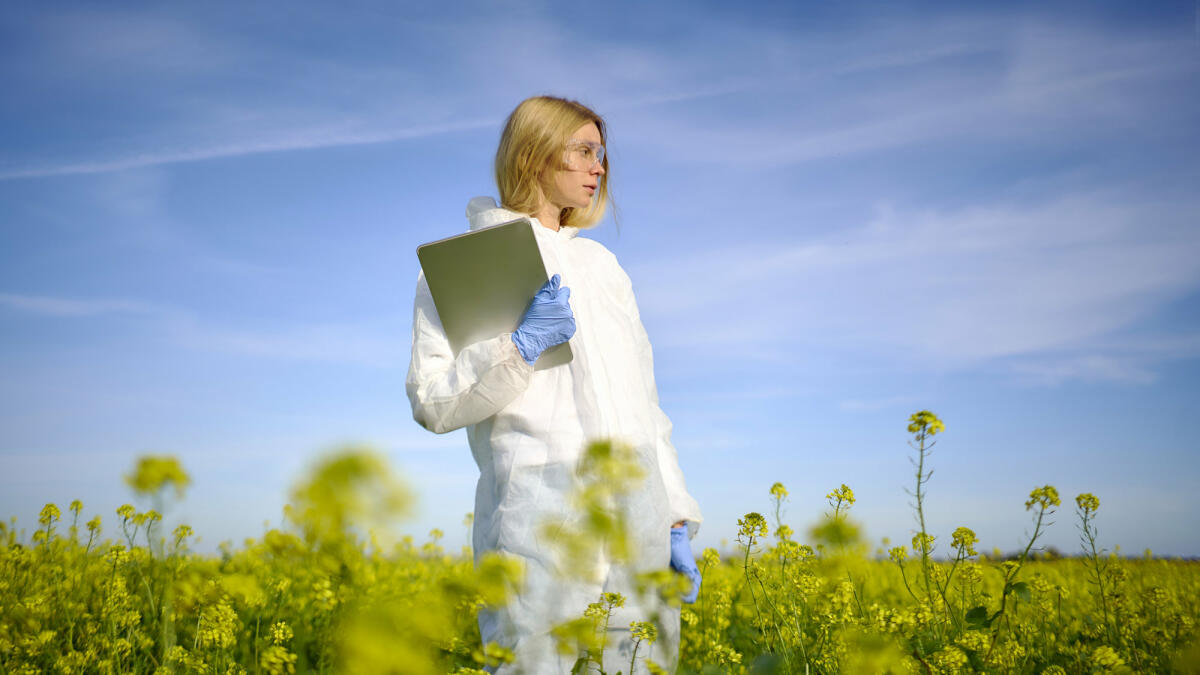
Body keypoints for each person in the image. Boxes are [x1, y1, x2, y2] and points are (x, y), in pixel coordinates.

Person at [406, 95, 702, 674]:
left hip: (635, 519)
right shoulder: (468, 262)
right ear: (536, 154)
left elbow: (646, 406)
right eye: (585, 150)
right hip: (538, 518)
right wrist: (517, 347)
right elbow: (433, 401)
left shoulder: (605, 269)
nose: (600, 167)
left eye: (603, 154)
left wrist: (671, 516)